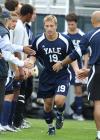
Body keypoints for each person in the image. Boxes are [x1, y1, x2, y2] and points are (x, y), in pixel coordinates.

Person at [52, 11, 100, 140]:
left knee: (98, 103)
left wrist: (62, 63)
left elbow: (76, 54)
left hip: (93, 70)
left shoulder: (88, 35)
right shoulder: (65, 35)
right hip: (80, 70)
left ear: (92, 21)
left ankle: (99, 133)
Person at [29, 15, 80, 135]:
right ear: (44, 26)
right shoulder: (38, 40)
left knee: (59, 100)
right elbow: (33, 54)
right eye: (47, 26)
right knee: (47, 106)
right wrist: (31, 62)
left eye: (51, 26)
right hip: (47, 75)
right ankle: (51, 127)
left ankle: (60, 114)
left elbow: (72, 57)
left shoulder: (65, 39)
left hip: (62, 74)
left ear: (56, 26)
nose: (49, 28)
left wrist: (77, 70)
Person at [64, 13, 89, 121]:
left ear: (76, 23)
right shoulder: (64, 35)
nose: (70, 26)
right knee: (60, 89)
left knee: (78, 90)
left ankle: (78, 114)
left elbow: (86, 53)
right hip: (65, 67)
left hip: (78, 67)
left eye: (72, 24)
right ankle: (58, 112)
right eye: (69, 24)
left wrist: (85, 66)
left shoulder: (82, 35)